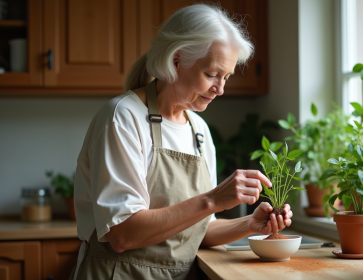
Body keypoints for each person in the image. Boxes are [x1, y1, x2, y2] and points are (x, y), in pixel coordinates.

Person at [71, 4, 293, 280]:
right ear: (176, 61)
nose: (220, 89)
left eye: (226, 77)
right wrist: (213, 199)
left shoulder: (198, 130)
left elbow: (200, 230)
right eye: (212, 74)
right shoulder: (123, 118)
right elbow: (122, 234)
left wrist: (250, 223)